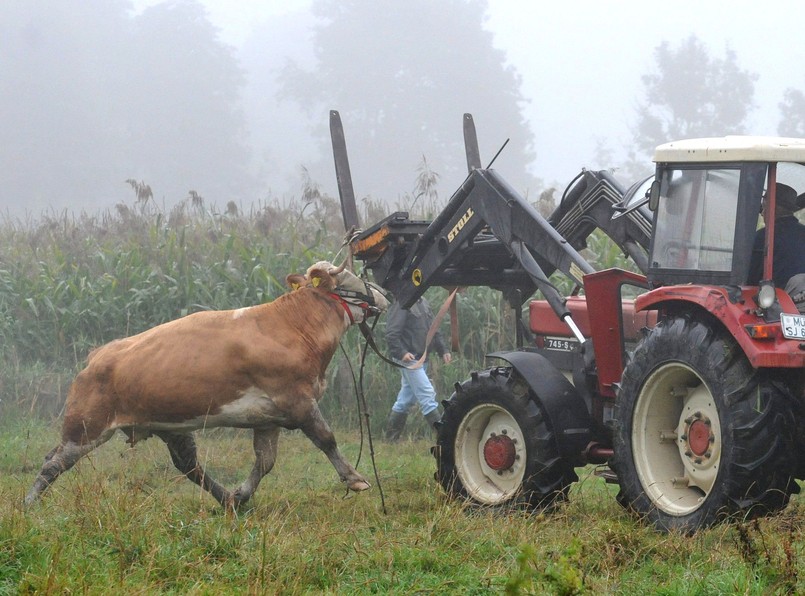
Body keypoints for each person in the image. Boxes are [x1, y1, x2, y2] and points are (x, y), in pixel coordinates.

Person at [384, 295, 452, 442]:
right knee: (427, 394)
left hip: (422, 358)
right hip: (410, 360)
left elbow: (434, 329)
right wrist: (402, 353)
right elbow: (391, 333)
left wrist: (443, 350)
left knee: (405, 400)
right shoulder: (402, 301)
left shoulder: (424, 302)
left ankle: (390, 440)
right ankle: (444, 440)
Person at [747, 183, 805, 306]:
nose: (762, 212)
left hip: (777, 304)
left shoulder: (763, 237)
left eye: (764, 207)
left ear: (774, 208)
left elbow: (748, 278)